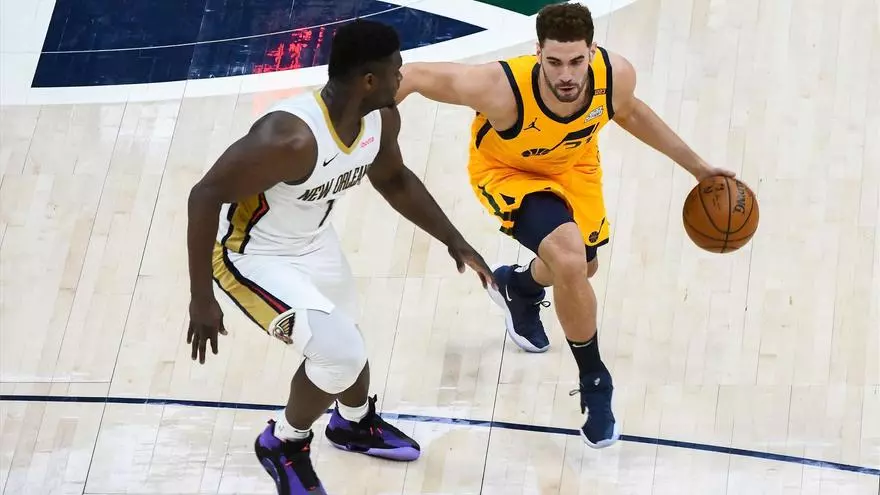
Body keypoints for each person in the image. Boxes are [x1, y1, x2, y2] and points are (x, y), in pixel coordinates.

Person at [395, 2, 734, 449]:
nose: (566, 74)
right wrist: (352, 123)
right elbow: (413, 76)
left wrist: (699, 169)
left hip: (574, 167)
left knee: (581, 269)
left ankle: (520, 287)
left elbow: (631, 113)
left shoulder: (614, 76)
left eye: (576, 60)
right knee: (571, 260)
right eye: (554, 62)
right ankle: (596, 382)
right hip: (509, 172)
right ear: (537, 52)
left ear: (592, 51)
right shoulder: (499, 87)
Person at [185, 20, 495, 494]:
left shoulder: (381, 118)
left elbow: (393, 179)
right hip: (252, 256)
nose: (402, 77)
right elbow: (204, 195)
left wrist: (454, 239)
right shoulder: (290, 138)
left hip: (314, 242)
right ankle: (283, 443)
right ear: (369, 80)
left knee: (347, 340)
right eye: (395, 70)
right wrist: (201, 299)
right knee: (338, 354)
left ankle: (353, 423)